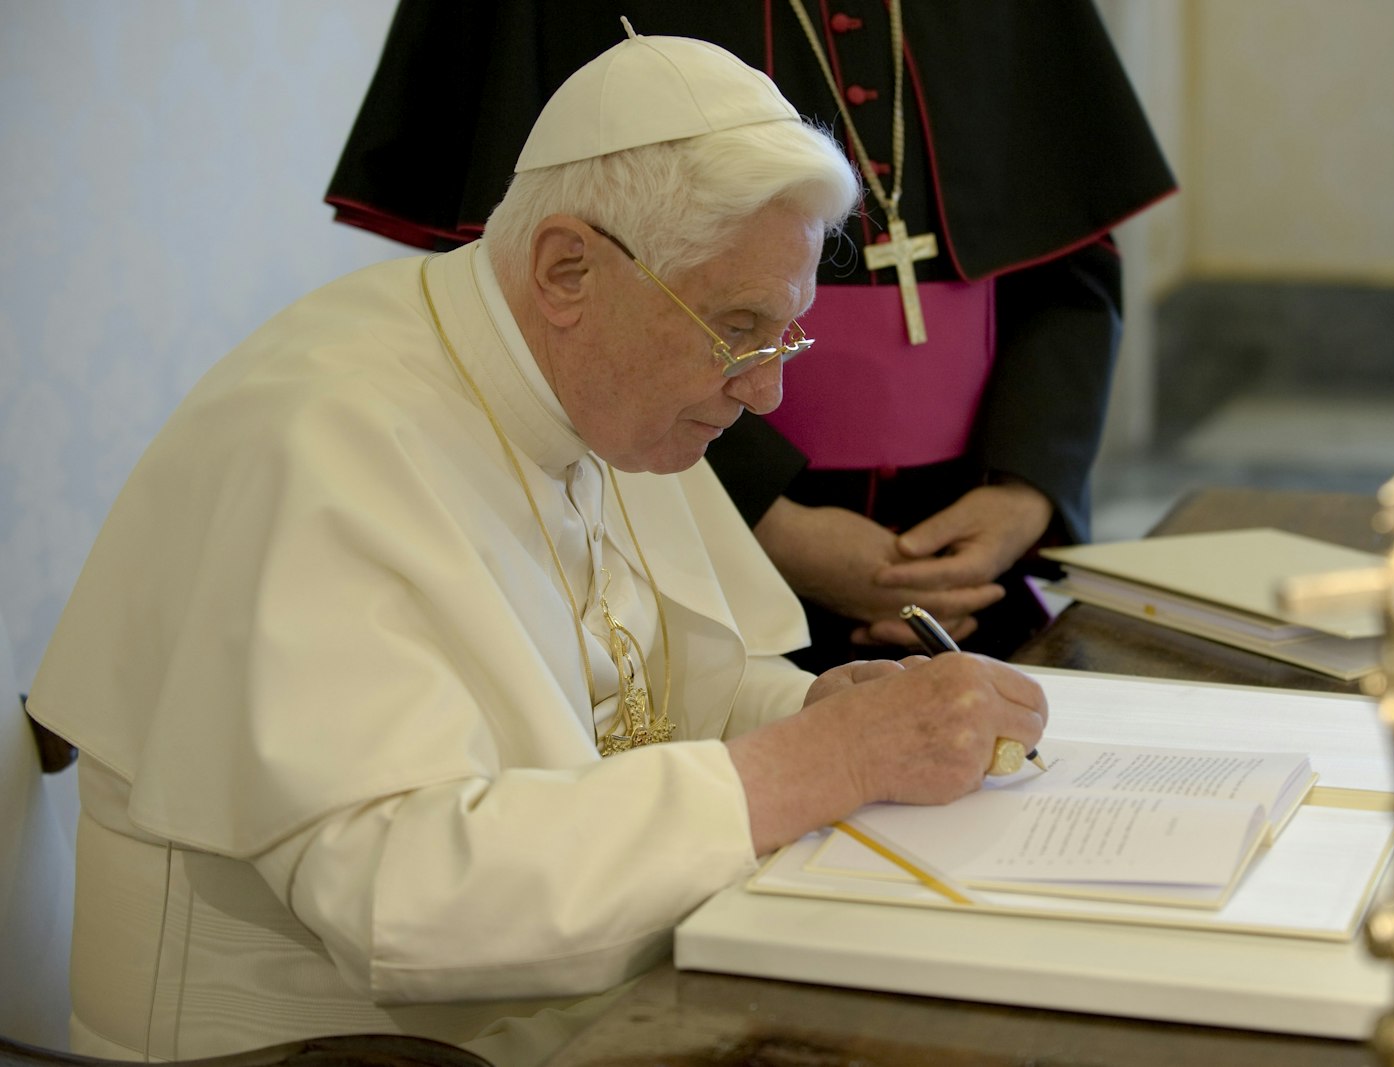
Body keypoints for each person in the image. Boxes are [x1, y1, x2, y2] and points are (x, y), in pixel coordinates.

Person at [25, 27, 1046, 1066]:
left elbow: (657, 690)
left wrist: (824, 712)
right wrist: (819, 762)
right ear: (568, 269)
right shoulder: (323, 437)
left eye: (784, 334)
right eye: (741, 329)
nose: (767, 390)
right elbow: (403, 898)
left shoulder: (601, 388)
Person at [325, 0, 1178, 672]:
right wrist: (769, 524)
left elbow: (1070, 256)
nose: (767, 371)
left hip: (974, 547)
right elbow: (528, 297)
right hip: (681, 517)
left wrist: (1024, 490)